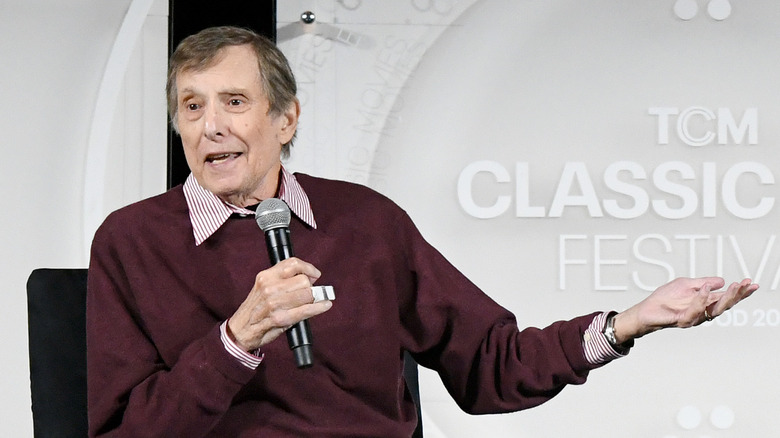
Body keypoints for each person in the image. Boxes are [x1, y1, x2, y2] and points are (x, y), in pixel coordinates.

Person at [86, 25, 758, 437]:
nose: (211, 127)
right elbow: (126, 432)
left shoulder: (367, 224)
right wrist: (237, 340)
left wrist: (627, 324)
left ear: (285, 119)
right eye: (191, 107)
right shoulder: (131, 242)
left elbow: (492, 366)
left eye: (234, 103)